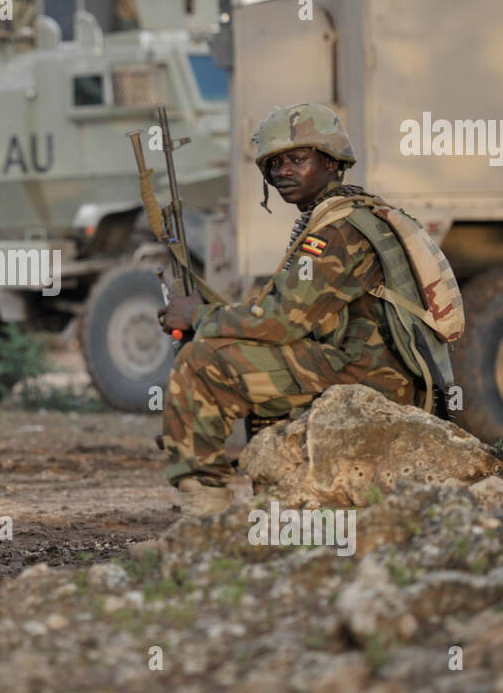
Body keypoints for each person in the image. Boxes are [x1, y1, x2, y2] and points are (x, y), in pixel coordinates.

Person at [158, 103, 454, 516]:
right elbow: (288, 313)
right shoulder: (350, 215)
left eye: (297, 159)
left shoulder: (337, 230)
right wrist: (216, 317)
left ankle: (206, 512)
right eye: (274, 163)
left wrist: (198, 318)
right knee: (244, 357)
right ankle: (276, 499)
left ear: (332, 163)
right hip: (374, 371)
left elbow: (279, 323)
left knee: (202, 363)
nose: (283, 171)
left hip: (373, 381)